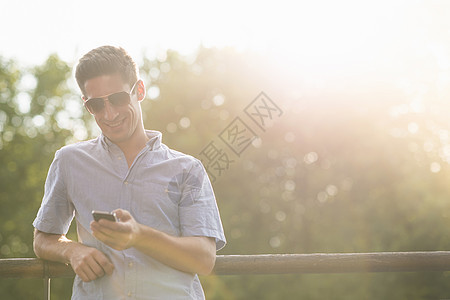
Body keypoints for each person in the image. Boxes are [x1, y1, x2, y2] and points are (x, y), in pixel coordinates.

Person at [33, 45, 226, 299]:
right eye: (96, 105)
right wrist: (71, 251)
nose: (109, 114)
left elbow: (204, 258)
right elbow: (43, 239)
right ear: (85, 103)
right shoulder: (68, 161)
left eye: (118, 99)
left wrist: (139, 236)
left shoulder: (188, 169)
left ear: (140, 90)